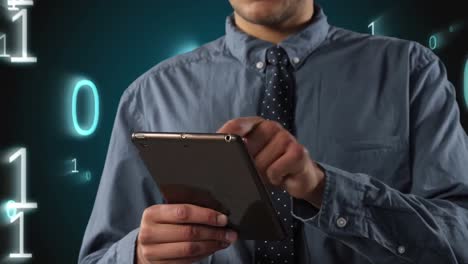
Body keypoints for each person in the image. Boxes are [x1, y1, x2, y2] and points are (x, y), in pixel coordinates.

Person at [78, 0, 468, 263]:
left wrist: (324, 189)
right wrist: (139, 255)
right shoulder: (149, 95)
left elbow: (461, 240)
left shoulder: (411, 72)